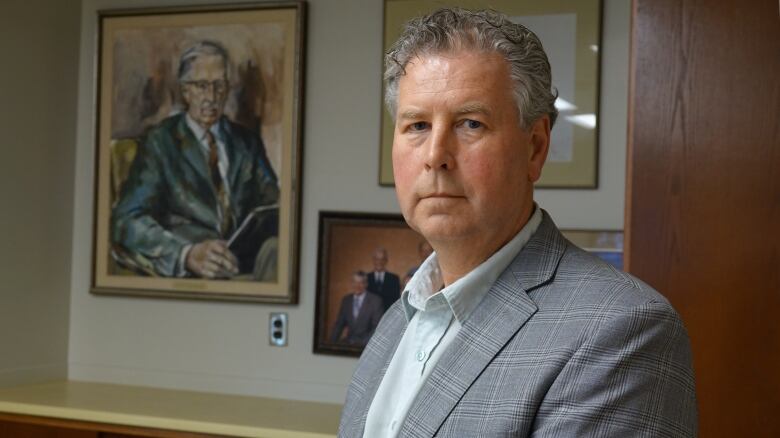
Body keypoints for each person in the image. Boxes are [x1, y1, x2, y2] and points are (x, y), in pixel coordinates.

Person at [338, 9, 697, 437]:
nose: (435, 154)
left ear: (535, 148)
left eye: (470, 123)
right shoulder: (399, 317)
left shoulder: (623, 329)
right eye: (417, 125)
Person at [111, 41, 280, 280]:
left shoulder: (246, 142)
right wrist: (186, 255)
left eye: (219, 86)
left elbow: (275, 206)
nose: (211, 97)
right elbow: (126, 220)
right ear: (185, 91)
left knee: (275, 250)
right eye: (201, 86)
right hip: (191, 273)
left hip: (243, 266)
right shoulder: (161, 141)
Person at [331, 271, 385, 346]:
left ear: (366, 284)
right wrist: (331, 343)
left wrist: (362, 343)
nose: (357, 286)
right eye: (355, 282)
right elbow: (339, 324)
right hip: (348, 343)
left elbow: (377, 327)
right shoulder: (346, 300)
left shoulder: (376, 301)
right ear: (352, 284)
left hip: (366, 345)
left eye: (361, 283)